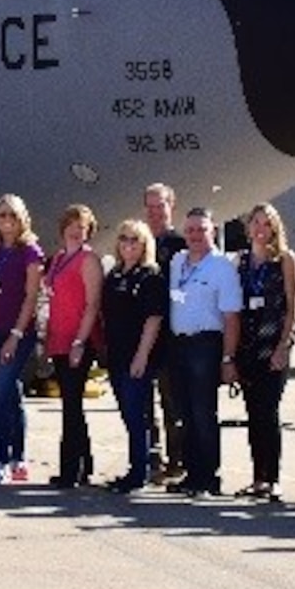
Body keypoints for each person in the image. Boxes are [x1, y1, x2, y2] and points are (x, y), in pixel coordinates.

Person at [164, 206, 241, 497]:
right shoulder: (177, 261)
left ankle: (209, 477)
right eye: (191, 230)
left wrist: (228, 357)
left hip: (206, 344)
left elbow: (232, 317)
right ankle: (191, 474)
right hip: (179, 344)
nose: (195, 235)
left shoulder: (221, 267)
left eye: (202, 230)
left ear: (214, 231)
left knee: (203, 412)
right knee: (183, 411)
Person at [233, 203, 295, 501]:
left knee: (268, 411)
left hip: (273, 346)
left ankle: (272, 478)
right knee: (252, 413)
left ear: (275, 228)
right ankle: (257, 477)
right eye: (255, 222)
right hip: (248, 346)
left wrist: (284, 345)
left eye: (266, 223)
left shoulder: (284, 259)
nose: (261, 229)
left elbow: (292, 303)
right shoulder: (241, 261)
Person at [0, 194, 45, 485]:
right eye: (2, 215)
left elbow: (32, 297)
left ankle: (1, 458)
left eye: (12, 216)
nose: (6, 221)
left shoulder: (30, 252)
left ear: (22, 219)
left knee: (0, 393)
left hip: (18, 333)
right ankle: (19, 457)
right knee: (12, 396)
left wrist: (16, 336)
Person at [99, 219, 168, 493]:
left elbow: (153, 320)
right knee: (128, 414)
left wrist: (141, 356)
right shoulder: (115, 275)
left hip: (137, 355)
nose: (128, 245)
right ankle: (136, 466)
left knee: (137, 413)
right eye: (124, 239)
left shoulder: (149, 277)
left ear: (144, 245)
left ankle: (140, 471)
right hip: (116, 354)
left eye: (134, 240)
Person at [41, 204, 104, 488]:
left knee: (71, 404)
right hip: (59, 337)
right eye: (73, 225)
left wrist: (80, 341)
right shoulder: (57, 260)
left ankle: (71, 469)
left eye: (83, 226)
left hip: (78, 339)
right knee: (71, 402)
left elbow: (92, 304)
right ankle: (82, 465)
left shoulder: (88, 260)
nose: (77, 231)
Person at [143, 183, 187, 481]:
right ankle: (151, 460)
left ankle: (178, 461)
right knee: (144, 405)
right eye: (151, 207)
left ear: (172, 206)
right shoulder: (140, 242)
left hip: (171, 335)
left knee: (172, 402)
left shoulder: (180, 246)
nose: (156, 213)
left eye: (161, 206)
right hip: (144, 337)